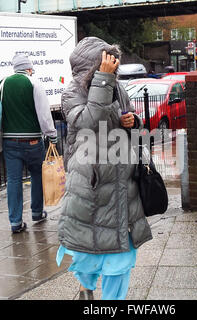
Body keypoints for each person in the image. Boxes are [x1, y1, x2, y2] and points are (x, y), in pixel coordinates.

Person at [56, 37, 153, 300]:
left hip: (122, 184)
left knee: (120, 257)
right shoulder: (71, 93)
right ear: (92, 65)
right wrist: (103, 80)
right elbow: (88, 123)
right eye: (106, 60)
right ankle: (85, 286)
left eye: (113, 60)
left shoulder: (118, 88)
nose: (113, 64)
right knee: (88, 252)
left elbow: (129, 121)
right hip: (91, 184)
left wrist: (132, 120)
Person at [1, 53, 58, 233]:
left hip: (9, 141)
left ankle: (15, 222)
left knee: (13, 181)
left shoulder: (2, 84)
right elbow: (44, 115)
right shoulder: (34, 84)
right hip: (32, 141)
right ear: (28, 68)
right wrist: (52, 135)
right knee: (37, 176)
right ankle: (37, 212)